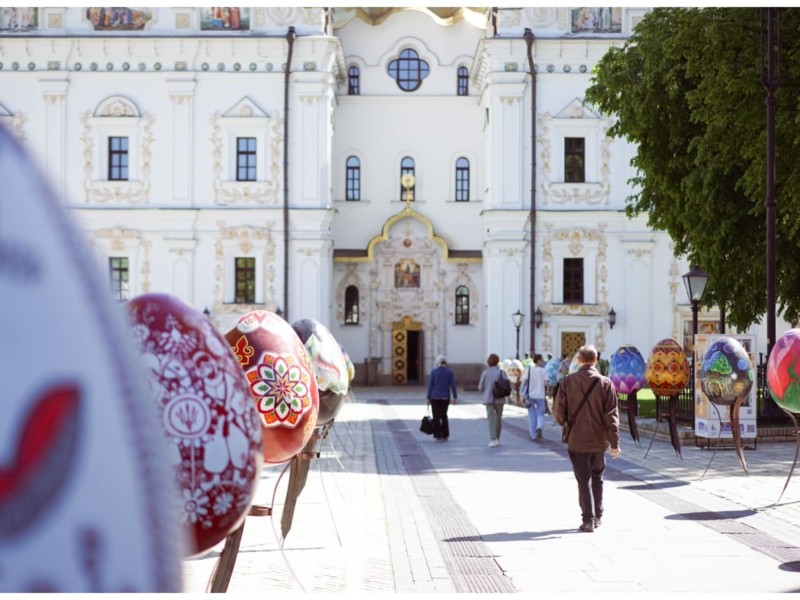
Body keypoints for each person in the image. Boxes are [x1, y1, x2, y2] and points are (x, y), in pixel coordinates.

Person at [554, 344, 621, 533]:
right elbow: (612, 416)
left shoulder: (568, 382)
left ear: (580, 360)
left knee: (583, 480)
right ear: (596, 360)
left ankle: (588, 519)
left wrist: (566, 424)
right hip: (599, 440)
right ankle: (598, 515)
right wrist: (614, 443)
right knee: (597, 477)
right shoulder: (606, 383)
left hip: (577, 439)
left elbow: (559, 411)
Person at [478, 353, 509, 447]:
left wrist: (485, 390)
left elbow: (480, 387)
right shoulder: (502, 372)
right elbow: (507, 384)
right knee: (498, 418)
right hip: (500, 398)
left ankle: (492, 439)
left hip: (488, 398)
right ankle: (498, 438)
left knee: (491, 419)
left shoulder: (485, 372)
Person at [426, 355, 457, 442]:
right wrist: (455, 397)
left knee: (436, 416)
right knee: (444, 415)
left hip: (434, 397)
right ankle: (445, 435)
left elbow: (430, 385)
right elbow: (453, 385)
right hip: (445, 397)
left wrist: (428, 397)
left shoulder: (434, 372)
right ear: (446, 363)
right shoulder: (449, 372)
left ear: (437, 363)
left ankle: (438, 435)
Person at [520, 353, 547, 440]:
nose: (543, 361)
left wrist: (522, 393)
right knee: (540, 413)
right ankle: (539, 426)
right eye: (542, 360)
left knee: (531, 413)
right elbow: (546, 383)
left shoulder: (529, 369)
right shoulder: (543, 371)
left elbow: (524, 381)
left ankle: (533, 434)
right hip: (541, 395)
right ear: (538, 360)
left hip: (530, 395)